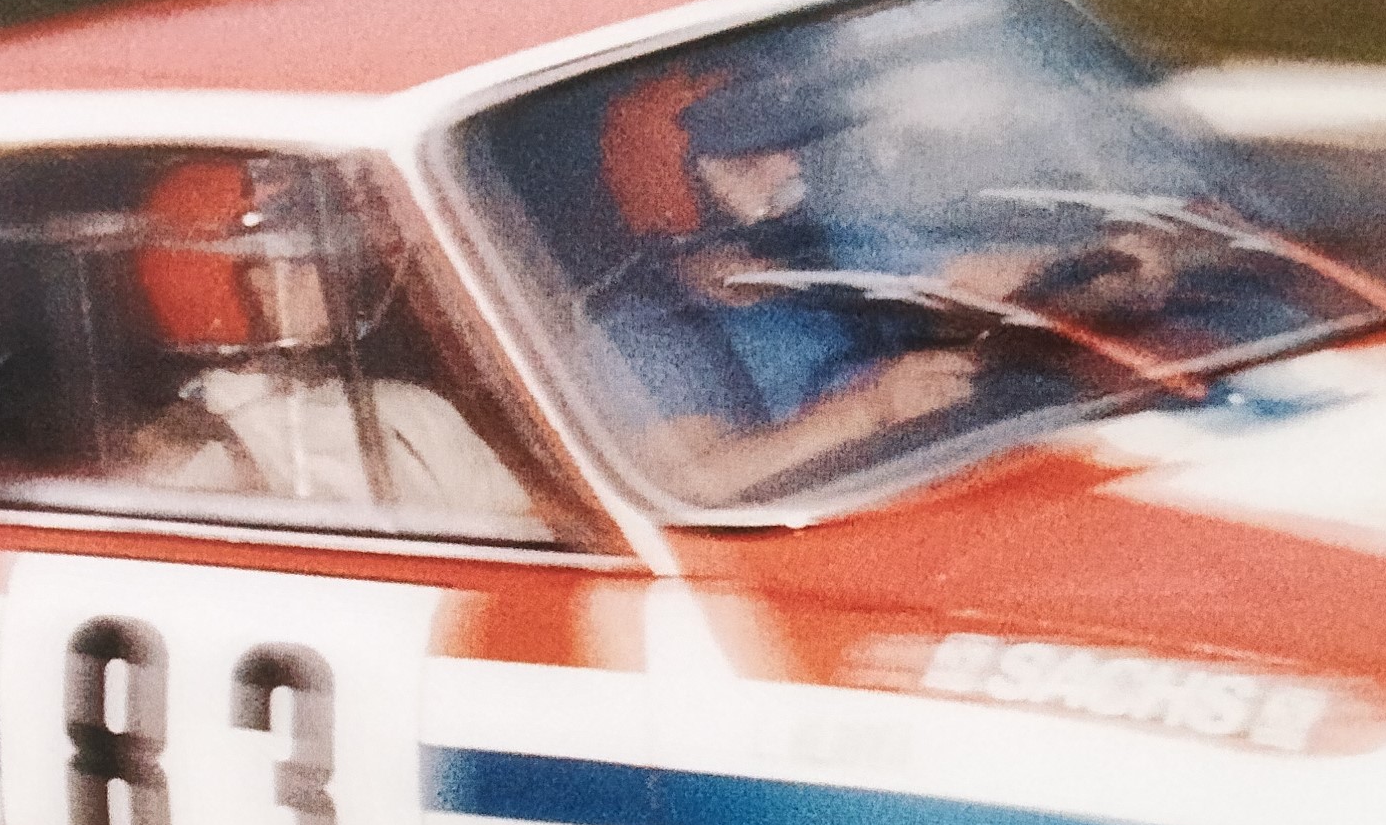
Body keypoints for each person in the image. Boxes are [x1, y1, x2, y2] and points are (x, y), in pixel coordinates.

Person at [585, 63, 1206, 501]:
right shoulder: (648, 331)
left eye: (784, 146)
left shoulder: (836, 246)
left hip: (968, 468)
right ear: (668, 189)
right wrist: (870, 409)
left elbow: (975, 279)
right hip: (833, 529)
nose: (788, 165)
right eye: (748, 158)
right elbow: (697, 481)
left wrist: (1097, 264)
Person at [121, 157, 538, 524]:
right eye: (302, 255)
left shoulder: (413, 412)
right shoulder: (192, 463)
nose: (330, 272)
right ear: (253, 282)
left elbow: (534, 538)